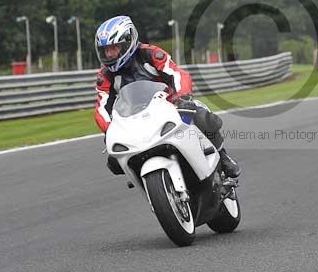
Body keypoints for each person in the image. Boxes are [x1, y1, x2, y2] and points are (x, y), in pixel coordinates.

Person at [93, 15, 241, 178]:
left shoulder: (151, 54)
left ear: (128, 41)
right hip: (133, 119)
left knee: (201, 115)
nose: (109, 54)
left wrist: (184, 98)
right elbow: (102, 107)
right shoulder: (105, 76)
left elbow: (178, 74)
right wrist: (109, 129)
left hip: (169, 106)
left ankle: (223, 156)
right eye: (105, 50)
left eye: (114, 48)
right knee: (114, 160)